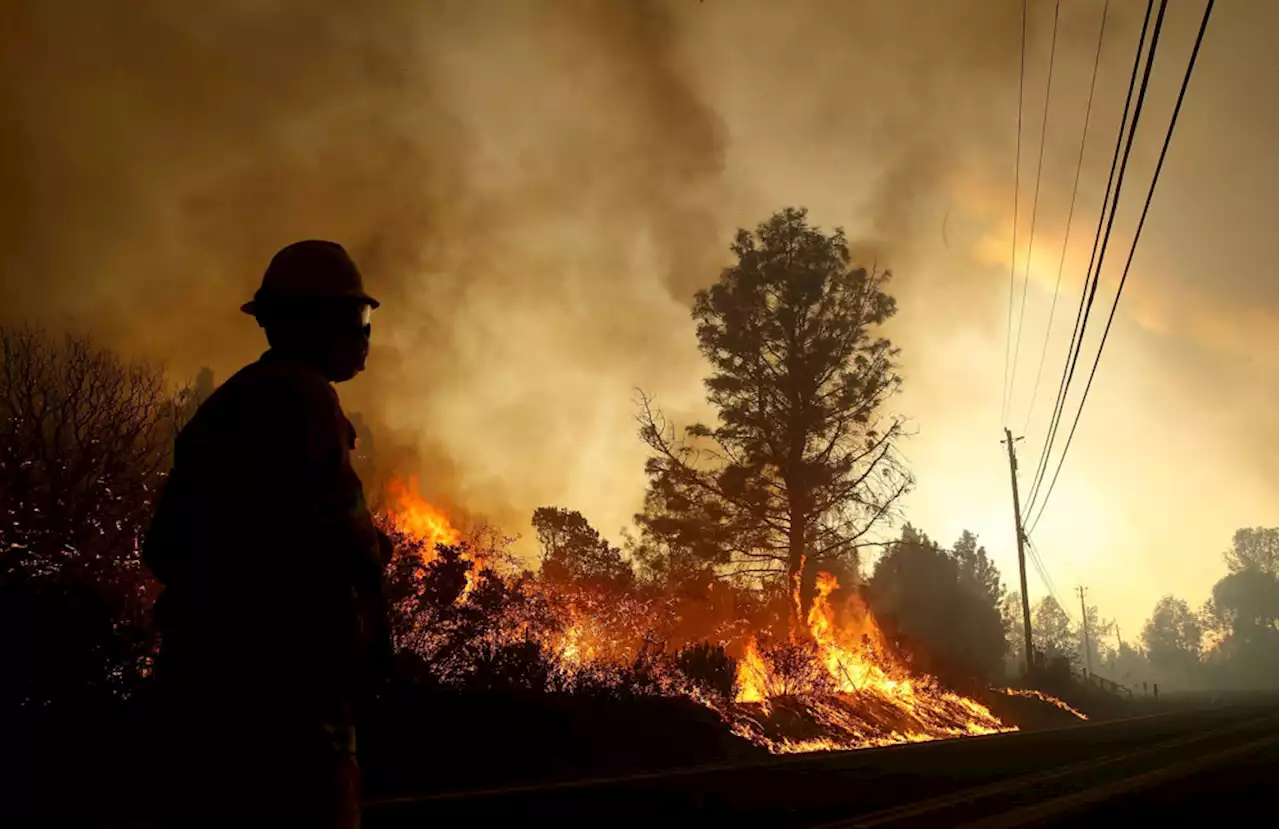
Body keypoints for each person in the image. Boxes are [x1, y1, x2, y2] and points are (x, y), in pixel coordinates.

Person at [143, 240, 394, 828]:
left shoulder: (230, 405)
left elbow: (165, 546)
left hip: (203, 692)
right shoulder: (303, 400)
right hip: (288, 702)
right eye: (357, 320)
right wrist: (376, 550)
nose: (364, 336)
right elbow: (344, 539)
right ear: (319, 323)